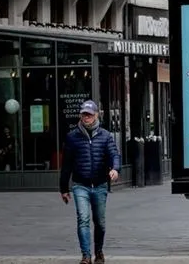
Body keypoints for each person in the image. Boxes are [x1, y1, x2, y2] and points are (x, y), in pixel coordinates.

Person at [59, 100, 121, 264]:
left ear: (96, 115)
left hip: (100, 185)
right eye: (84, 114)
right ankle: (86, 256)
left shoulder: (105, 136)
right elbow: (66, 165)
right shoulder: (72, 137)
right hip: (80, 185)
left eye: (89, 114)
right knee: (83, 219)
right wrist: (64, 189)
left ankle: (98, 252)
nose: (86, 117)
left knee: (99, 222)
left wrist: (115, 169)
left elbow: (114, 154)